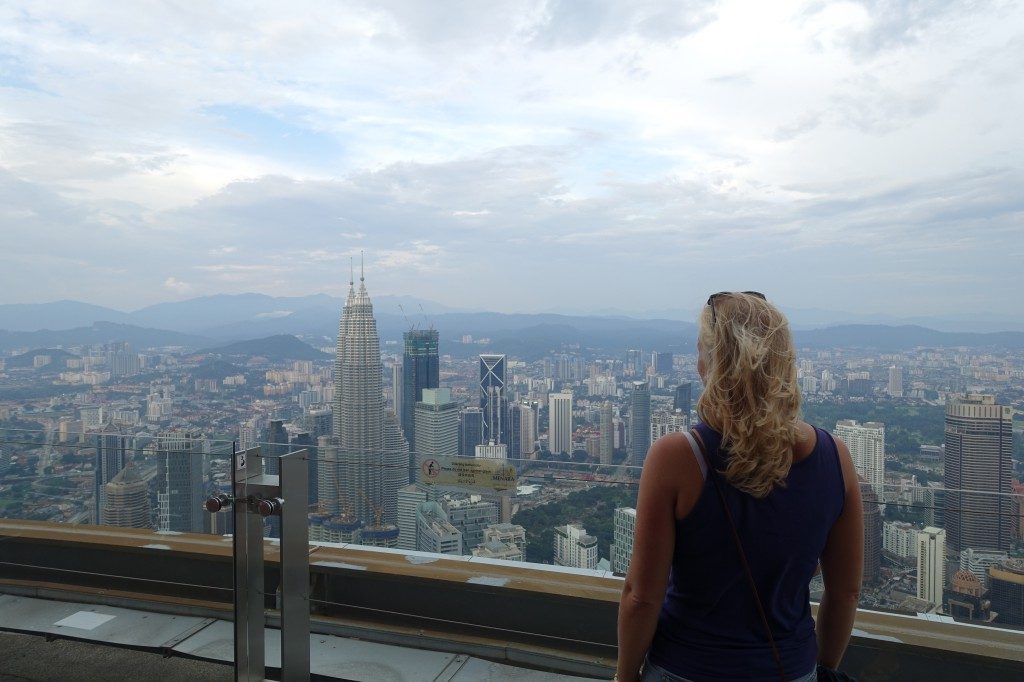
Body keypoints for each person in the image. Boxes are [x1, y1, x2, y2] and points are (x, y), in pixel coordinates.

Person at [615, 292, 863, 682]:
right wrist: (823, 670)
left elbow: (642, 596)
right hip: (791, 670)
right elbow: (846, 592)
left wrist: (625, 676)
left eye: (700, 351)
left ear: (713, 364)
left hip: (686, 669)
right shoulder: (836, 458)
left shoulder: (677, 457)